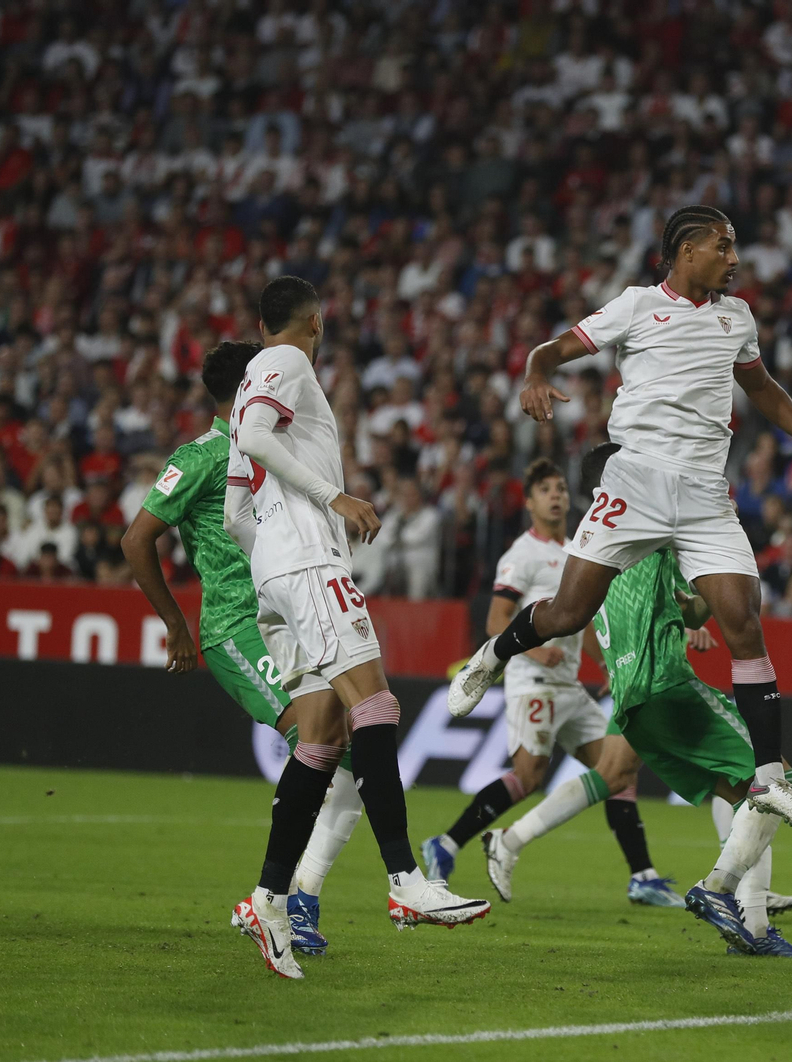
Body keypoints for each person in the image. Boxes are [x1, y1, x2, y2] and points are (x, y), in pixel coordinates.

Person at [446, 205, 792, 838]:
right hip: (634, 479)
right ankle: (493, 655)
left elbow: (762, 388)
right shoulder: (637, 305)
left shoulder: (737, 316)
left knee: (743, 622)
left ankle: (770, 778)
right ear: (686, 251)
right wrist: (534, 374)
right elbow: (553, 349)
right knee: (568, 612)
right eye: (723, 247)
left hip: (702, 494)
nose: (735, 258)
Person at [222, 276, 487, 979]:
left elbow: (235, 516)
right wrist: (331, 500)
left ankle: (268, 897)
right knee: (375, 705)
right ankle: (406, 882)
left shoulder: (249, 386)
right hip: (309, 564)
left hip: (276, 577)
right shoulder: (288, 362)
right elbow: (255, 438)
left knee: (322, 736)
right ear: (315, 320)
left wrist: (272, 569)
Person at [478, 442, 792, 957]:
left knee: (723, 789)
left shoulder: (589, 549)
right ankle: (730, 898)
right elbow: (707, 603)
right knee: (774, 780)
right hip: (665, 686)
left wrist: (685, 616)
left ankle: (753, 923)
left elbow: (688, 610)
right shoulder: (650, 527)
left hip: (631, 701)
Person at [120, 340, 361, 959]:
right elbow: (136, 538)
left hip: (288, 617)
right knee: (322, 747)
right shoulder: (202, 456)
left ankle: (295, 896)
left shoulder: (275, 447)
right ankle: (277, 901)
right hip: (235, 626)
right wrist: (176, 623)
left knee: (351, 762)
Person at [422, 458, 682, 908]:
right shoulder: (520, 555)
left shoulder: (580, 549)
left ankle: (642, 875)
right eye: (546, 489)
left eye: (561, 487)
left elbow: (584, 623)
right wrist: (536, 648)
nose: (557, 495)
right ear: (529, 502)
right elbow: (496, 619)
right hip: (533, 682)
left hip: (570, 688)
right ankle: (446, 844)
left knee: (618, 771)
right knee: (529, 775)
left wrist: (606, 668)